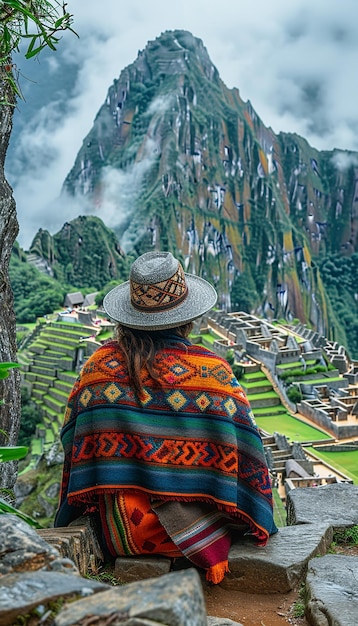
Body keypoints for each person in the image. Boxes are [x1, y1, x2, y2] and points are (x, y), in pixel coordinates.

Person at [54, 251, 277, 583]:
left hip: (123, 531)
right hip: (197, 529)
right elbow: (249, 454)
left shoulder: (96, 370)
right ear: (187, 317)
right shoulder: (213, 374)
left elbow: (73, 441)